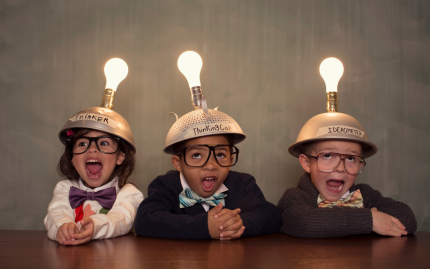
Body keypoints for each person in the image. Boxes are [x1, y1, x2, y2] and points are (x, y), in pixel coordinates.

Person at [135, 104, 281, 240]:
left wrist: (234, 224)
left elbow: (272, 216)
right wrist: (203, 226)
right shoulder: (166, 185)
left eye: (220, 155)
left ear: (230, 160)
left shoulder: (242, 184)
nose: (211, 165)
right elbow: (145, 220)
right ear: (178, 163)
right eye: (197, 155)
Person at [277, 111, 417, 238]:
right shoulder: (294, 197)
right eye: (327, 156)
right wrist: (370, 220)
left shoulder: (364, 194)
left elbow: (407, 218)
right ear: (307, 163)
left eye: (350, 158)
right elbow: (303, 222)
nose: (340, 168)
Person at [44, 107, 144, 245]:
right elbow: (56, 214)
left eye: (103, 143)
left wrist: (95, 225)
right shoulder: (65, 188)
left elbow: (121, 219)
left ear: (120, 157)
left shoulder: (129, 193)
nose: (92, 149)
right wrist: (63, 227)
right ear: (72, 158)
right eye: (82, 143)